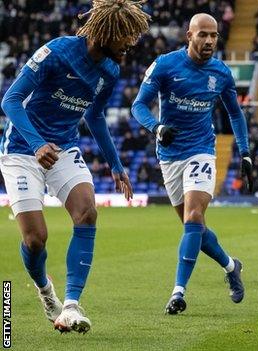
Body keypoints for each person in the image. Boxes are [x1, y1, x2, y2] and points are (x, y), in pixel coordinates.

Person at [0, 0, 148, 334]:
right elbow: (10, 99)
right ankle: (44, 289)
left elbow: (94, 116)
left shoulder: (110, 71)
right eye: (126, 35)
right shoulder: (57, 52)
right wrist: (37, 143)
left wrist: (116, 164)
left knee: (87, 212)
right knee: (36, 240)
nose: (131, 43)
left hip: (64, 149)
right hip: (23, 149)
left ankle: (71, 305)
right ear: (106, 32)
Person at [131, 13, 252, 315]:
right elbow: (138, 105)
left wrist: (245, 152)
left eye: (214, 35)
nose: (210, 40)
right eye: (203, 35)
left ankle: (178, 292)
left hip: (202, 150)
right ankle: (230, 265)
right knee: (194, 228)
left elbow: (235, 114)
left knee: (193, 216)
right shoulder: (165, 65)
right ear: (189, 36)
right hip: (170, 155)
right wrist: (157, 127)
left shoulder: (221, 73)